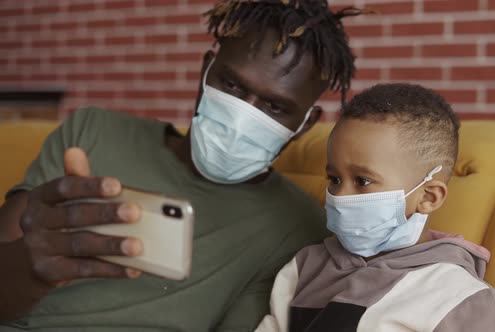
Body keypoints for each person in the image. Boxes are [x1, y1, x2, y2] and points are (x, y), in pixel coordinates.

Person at [0, 1, 364, 330]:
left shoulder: (297, 229)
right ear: (207, 70)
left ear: (306, 123)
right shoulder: (91, 132)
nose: (241, 116)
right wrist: (31, 266)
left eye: (273, 107)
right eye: (233, 85)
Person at [255, 83, 495, 332]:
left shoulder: (459, 296)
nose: (340, 196)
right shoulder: (304, 268)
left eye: (362, 181)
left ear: (428, 197)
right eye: (334, 179)